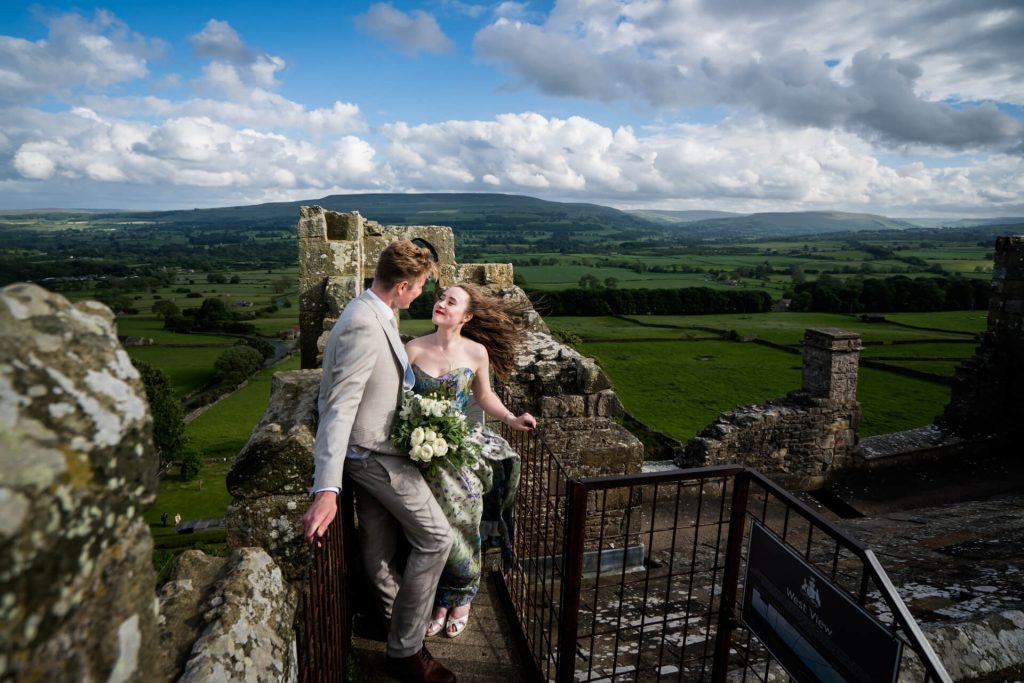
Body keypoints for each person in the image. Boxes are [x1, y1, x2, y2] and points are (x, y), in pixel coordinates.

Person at [302, 240, 456, 683]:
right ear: (403, 285)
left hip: (375, 447)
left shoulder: (374, 310)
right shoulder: (363, 325)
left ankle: (394, 627)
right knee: (436, 537)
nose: (423, 295)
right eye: (422, 286)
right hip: (370, 454)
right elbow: (338, 407)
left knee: (377, 545)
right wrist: (326, 489)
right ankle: (406, 650)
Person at [405, 282, 537, 639]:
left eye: (451, 301)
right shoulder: (412, 351)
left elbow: (485, 395)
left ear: (466, 316)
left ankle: (460, 597)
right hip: (420, 452)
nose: (441, 304)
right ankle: (438, 599)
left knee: (463, 522)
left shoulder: (477, 352)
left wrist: (511, 418)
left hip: (459, 449)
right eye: (440, 298)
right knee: (430, 531)